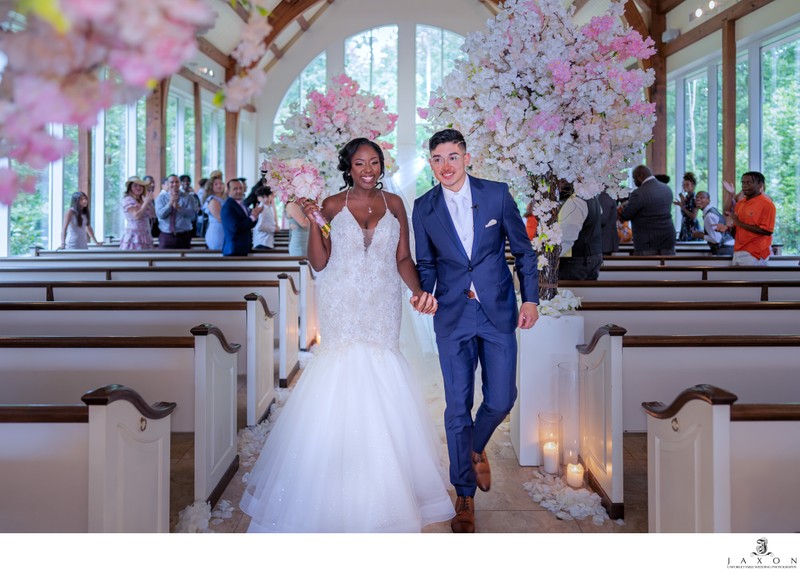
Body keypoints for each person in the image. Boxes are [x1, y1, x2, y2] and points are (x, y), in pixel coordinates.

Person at [240, 138, 454, 532]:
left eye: (374, 162)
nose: (368, 169)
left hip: (382, 300)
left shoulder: (395, 205)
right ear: (348, 167)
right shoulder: (332, 205)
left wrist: (418, 290)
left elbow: (402, 257)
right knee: (341, 373)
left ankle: (387, 486)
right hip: (343, 300)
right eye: (360, 163)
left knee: (384, 371)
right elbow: (319, 263)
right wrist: (314, 220)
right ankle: (333, 484)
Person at [412, 129, 539, 533]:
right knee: (456, 406)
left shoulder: (497, 194)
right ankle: (463, 496)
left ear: (467, 158)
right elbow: (426, 263)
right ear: (430, 163)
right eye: (437, 158)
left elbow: (523, 250)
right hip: (451, 315)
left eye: (452, 157)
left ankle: (473, 447)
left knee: (502, 398)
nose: (445, 166)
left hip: (498, 310)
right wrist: (425, 292)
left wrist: (531, 299)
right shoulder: (423, 207)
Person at [618, 165, 676, 256]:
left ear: (641, 176)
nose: (634, 182)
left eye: (634, 178)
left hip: (647, 242)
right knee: (667, 269)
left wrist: (623, 207)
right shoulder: (667, 189)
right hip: (668, 239)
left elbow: (626, 216)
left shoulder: (638, 193)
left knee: (647, 269)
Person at [725, 171, 775, 266]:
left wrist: (739, 223)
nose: (745, 185)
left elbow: (767, 230)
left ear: (760, 185)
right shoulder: (740, 203)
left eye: (749, 182)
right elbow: (737, 231)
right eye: (743, 182)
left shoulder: (767, 204)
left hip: (755, 253)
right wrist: (729, 229)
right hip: (738, 250)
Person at [557, 180, 603, 281]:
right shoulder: (592, 198)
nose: (559, 185)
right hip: (593, 257)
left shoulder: (574, 202)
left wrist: (547, 259)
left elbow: (565, 239)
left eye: (563, 182)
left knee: (570, 296)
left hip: (576, 261)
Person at [220, 178, 262, 256]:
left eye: (240, 188)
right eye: (235, 189)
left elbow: (248, 224)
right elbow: (235, 228)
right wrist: (252, 217)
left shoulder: (242, 204)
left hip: (244, 248)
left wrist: (255, 217)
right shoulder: (228, 206)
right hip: (234, 249)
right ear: (228, 191)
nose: (239, 191)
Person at [154, 174, 196, 249]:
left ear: (179, 183)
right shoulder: (161, 198)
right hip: (166, 235)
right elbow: (160, 215)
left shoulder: (188, 198)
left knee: (184, 259)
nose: (174, 184)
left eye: (177, 182)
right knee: (163, 259)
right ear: (167, 184)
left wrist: (179, 209)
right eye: (172, 182)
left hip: (184, 236)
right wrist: (169, 204)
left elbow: (192, 215)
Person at [692, 191, 734, 255]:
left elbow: (716, 239)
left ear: (708, 201)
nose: (698, 199)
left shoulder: (709, 215)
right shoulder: (711, 211)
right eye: (697, 197)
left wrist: (700, 235)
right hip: (728, 246)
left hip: (725, 248)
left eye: (702, 197)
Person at [119, 176, 155, 250]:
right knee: (134, 260)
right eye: (135, 186)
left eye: (140, 185)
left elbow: (153, 214)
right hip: (134, 237)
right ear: (130, 188)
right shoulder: (128, 200)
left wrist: (148, 202)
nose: (138, 187)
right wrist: (146, 203)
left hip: (146, 236)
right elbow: (136, 216)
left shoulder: (143, 199)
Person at [674, 171, 702, 241]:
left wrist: (682, 206)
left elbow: (693, 216)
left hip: (692, 228)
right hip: (685, 227)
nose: (684, 186)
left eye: (687, 184)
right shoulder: (687, 197)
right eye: (683, 184)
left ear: (693, 185)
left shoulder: (695, 198)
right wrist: (683, 202)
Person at [202, 170, 226, 250]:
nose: (219, 186)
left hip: (224, 229)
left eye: (221, 183)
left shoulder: (222, 199)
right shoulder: (212, 200)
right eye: (216, 184)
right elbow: (220, 218)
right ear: (211, 186)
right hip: (217, 230)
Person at [252, 185, 278, 250]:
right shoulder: (261, 208)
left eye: (268, 196)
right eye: (263, 197)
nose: (266, 199)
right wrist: (274, 229)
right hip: (262, 242)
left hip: (267, 242)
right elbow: (259, 227)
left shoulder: (268, 207)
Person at [598, 190, 620, 256]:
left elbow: (602, 220)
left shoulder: (603, 197)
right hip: (605, 242)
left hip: (604, 242)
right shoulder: (607, 195)